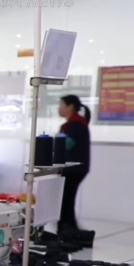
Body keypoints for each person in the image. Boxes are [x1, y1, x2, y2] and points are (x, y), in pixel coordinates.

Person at [58, 94, 91, 232]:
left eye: (62, 105)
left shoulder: (75, 124)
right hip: (74, 168)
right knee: (66, 199)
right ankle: (68, 227)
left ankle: (68, 229)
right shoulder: (74, 123)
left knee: (66, 200)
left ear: (70, 107)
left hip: (73, 169)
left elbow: (66, 145)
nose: (59, 108)